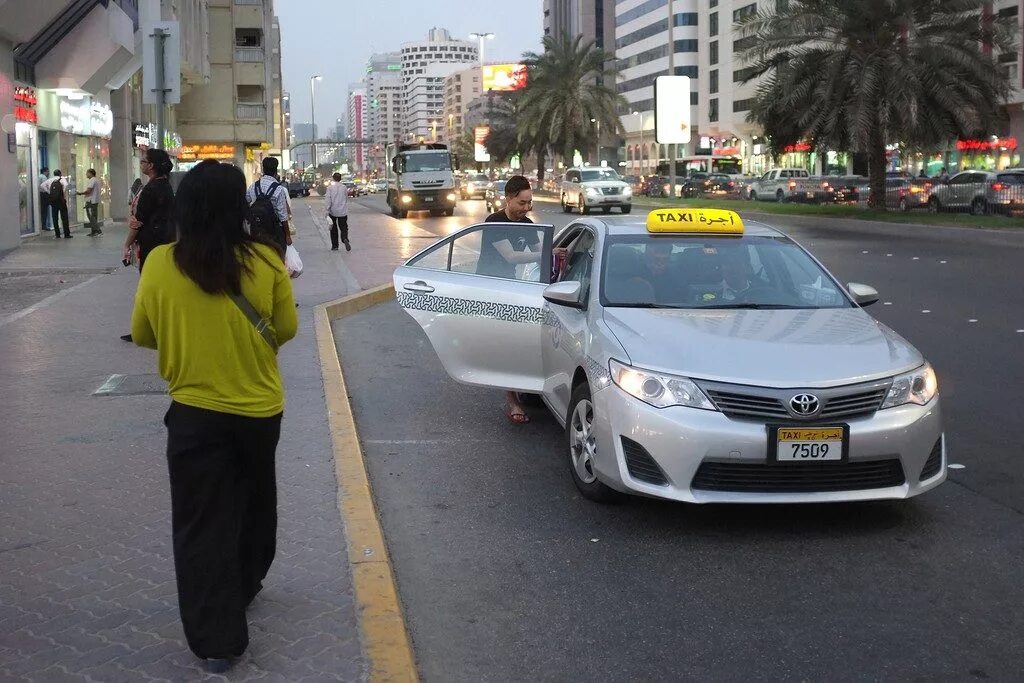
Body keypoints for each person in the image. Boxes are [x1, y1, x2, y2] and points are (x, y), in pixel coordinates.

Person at [130, 159, 298, 674]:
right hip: (258, 411)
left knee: (202, 522)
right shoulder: (266, 262)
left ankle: (217, 641)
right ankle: (244, 583)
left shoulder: (160, 262)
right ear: (237, 209)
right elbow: (286, 328)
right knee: (253, 501)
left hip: (194, 415)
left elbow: (142, 334)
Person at [121, 149, 175, 342]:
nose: (141, 164)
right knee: (157, 285)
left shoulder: (151, 189)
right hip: (164, 241)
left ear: (151, 166)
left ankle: (149, 328)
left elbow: (139, 221)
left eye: (143, 162)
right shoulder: (165, 186)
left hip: (151, 242)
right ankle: (156, 326)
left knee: (148, 286)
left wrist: (127, 244)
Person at [245, 157, 290, 252]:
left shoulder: (254, 186)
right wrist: (288, 236)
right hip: (274, 232)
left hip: (256, 230)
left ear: (263, 169)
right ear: (276, 171)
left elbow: (245, 202)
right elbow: (283, 216)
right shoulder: (278, 189)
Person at [324, 172, 350, 251]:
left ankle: (335, 246)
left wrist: (327, 210)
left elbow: (328, 200)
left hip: (333, 211)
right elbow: (346, 198)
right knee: (344, 227)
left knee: (333, 229)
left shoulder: (330, 188)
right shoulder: (344, 187)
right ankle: (345, 238)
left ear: (333, 178)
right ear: (340, 178)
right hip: (343, 211)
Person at [77, 168, 103, 236]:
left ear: (91, 173)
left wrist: (80, 193)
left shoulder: (92, 180)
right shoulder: (96, 180)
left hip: (91, 201)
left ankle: (98, 231)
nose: (86, 174)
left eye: (87, 173)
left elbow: (89, 191)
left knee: (91, 217)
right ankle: (94, 231)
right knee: (94, 216)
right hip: (95, 201)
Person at [47, 170, 71, 239]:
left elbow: (42, 186)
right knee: (64, 217)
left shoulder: (50, 180)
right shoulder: (62, 179)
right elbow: (66, 185)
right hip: (61, 201)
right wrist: (62, 193)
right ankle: (66, 234)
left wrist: (49, 193)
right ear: (60, 174)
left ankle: (57, 235)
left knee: (55, 218)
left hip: (53, 201)